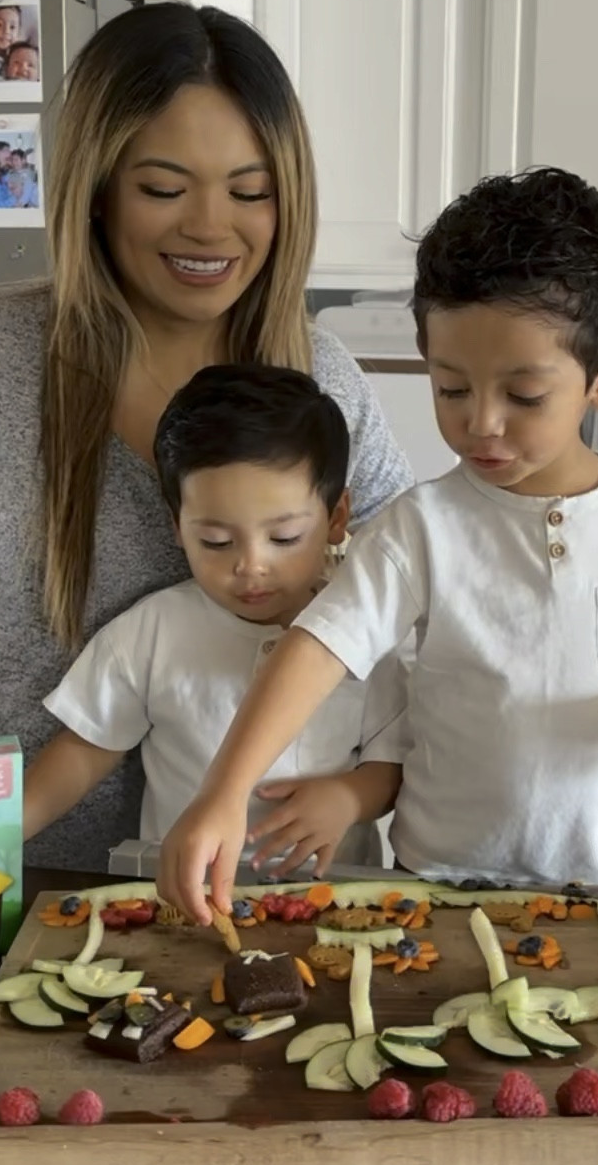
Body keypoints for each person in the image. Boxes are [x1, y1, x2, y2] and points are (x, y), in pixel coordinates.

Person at [0, 2, 411, 872]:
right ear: (95, 189)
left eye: (250, 192)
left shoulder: (321, 384)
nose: (211, 227)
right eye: (164, 189)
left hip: (180, 887)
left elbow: (414, 594)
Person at [160, 167, 598, 929]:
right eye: (451, 388)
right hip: (433, 889)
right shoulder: (422, 526)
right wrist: (223, 791)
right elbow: (316, 650)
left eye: (523, 395)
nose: (482, 424)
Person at [24, 366, 405, 871]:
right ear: (176, 524)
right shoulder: (153, 631)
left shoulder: (366, 630)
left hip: (329, 900)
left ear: (337, 517)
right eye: (217, 543)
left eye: (284, 538)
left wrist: (349, 798)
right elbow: (85, 749)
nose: (250, 565)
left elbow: (392, 762)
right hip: (187, 900)